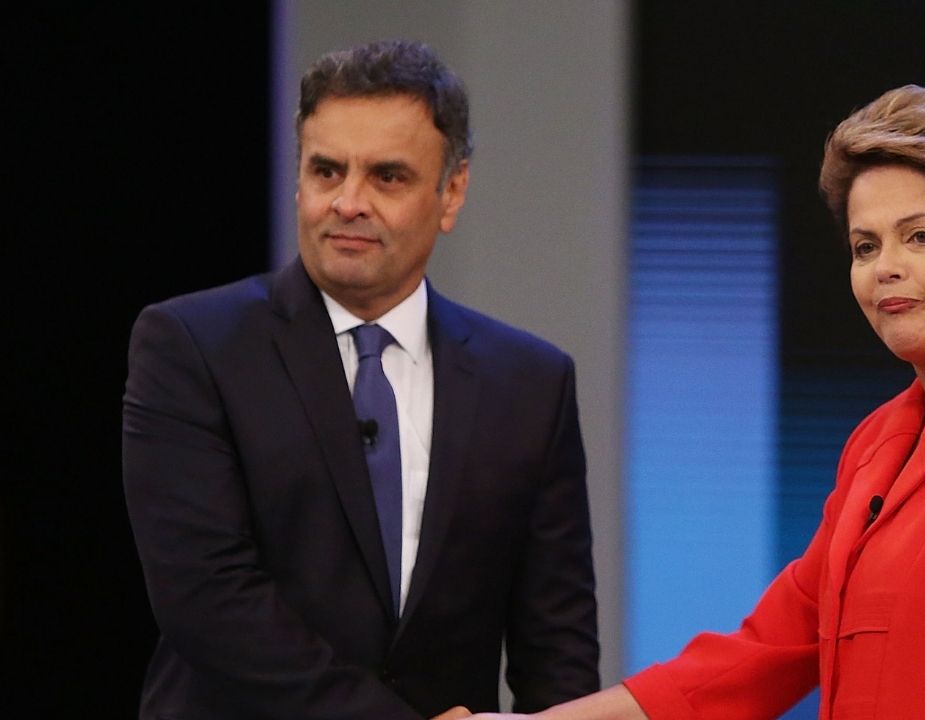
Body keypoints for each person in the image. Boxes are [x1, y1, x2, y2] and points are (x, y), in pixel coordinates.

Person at [469, 85, 925, 719]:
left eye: (920, 237)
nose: (884, 268)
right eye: (865, 246)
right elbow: (764, 653)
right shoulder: (878, 443)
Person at [122, 40, 599, 719]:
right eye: (326, 171)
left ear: (451, 191)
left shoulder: (530, 383)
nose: (348, 202)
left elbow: (557, 645)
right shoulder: (192, 347)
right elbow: (207, 599)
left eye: (388, 177)